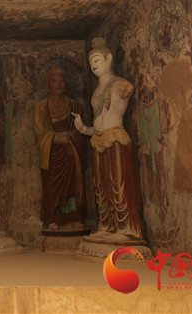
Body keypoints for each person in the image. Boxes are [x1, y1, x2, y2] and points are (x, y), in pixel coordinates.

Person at [72, 38, 143, 241]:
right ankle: (107, 225)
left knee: (119, 183)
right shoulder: (96, 92)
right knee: (102, 187)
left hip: (116, 139)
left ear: (109, 59)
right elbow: (97, 126)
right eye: (90, 62)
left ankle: (126, 228)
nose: (93, 65)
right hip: (99, 141)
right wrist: (83, 128)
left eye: (96, 60)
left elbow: (114, 112)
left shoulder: (120, 85)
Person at [33, 68, 87, 231]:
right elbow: (40, 133)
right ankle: (52, 218)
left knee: (74, 185)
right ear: (47, 85)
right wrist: (57, 137)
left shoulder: (75, 107)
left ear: (67, 84)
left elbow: (81, 134)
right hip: (51, 154)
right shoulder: (41, 107)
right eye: (54, 81)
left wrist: (70, 138)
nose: (58, 85)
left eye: (62, 81)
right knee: (51, 187)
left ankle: (74, 216)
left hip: (71, 154)